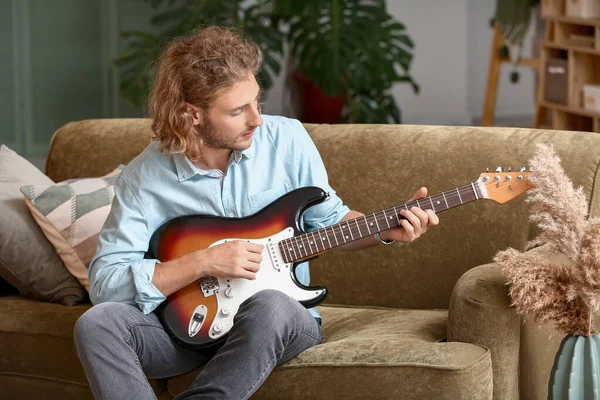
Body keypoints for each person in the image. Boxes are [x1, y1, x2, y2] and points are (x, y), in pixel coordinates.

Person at [73, 26, 439, 400]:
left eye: (256, 103)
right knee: (97, 323)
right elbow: (106, 284)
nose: (257, 120)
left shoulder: (287, 140)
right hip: (185, 333)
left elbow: (330, 222)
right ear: (193, 115)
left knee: (270, 305)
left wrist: (386, 229)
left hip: (278, 322)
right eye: (238, 110)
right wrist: (204, 261)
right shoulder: (143, 178)